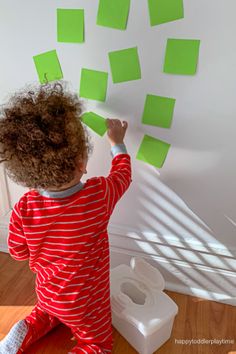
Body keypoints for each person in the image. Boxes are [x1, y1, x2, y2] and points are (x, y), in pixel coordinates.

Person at [0, 82, 132, 354]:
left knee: (47, 313)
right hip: (86, 304)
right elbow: (122, 176)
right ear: (82, 163)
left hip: (49, 293)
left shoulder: (25, 207)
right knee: (98, 344)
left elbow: (17, 252)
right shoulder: (98, 195)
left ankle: (25, 330)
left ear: (26, 176)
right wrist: (117, 143)